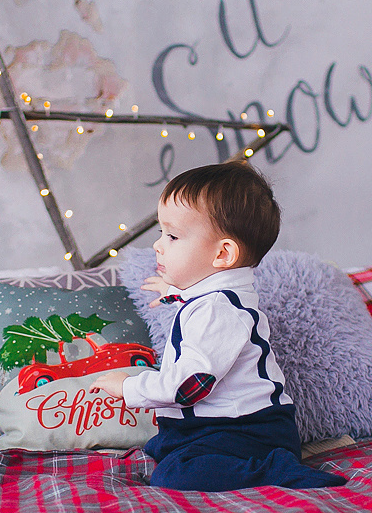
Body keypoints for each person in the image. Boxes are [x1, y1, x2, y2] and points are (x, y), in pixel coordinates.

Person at [91, 162, 346, 492]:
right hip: (209, 426)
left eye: (172, 235)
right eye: (160, 233)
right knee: (161, 449)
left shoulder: (219, 310)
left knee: (174, 475)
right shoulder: (214, 298)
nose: (158, 245)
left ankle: (275, 469)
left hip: (246, 431)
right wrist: (177, 294)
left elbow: (191, 385)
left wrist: (129, 387)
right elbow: (204, 308)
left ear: (223, 253)